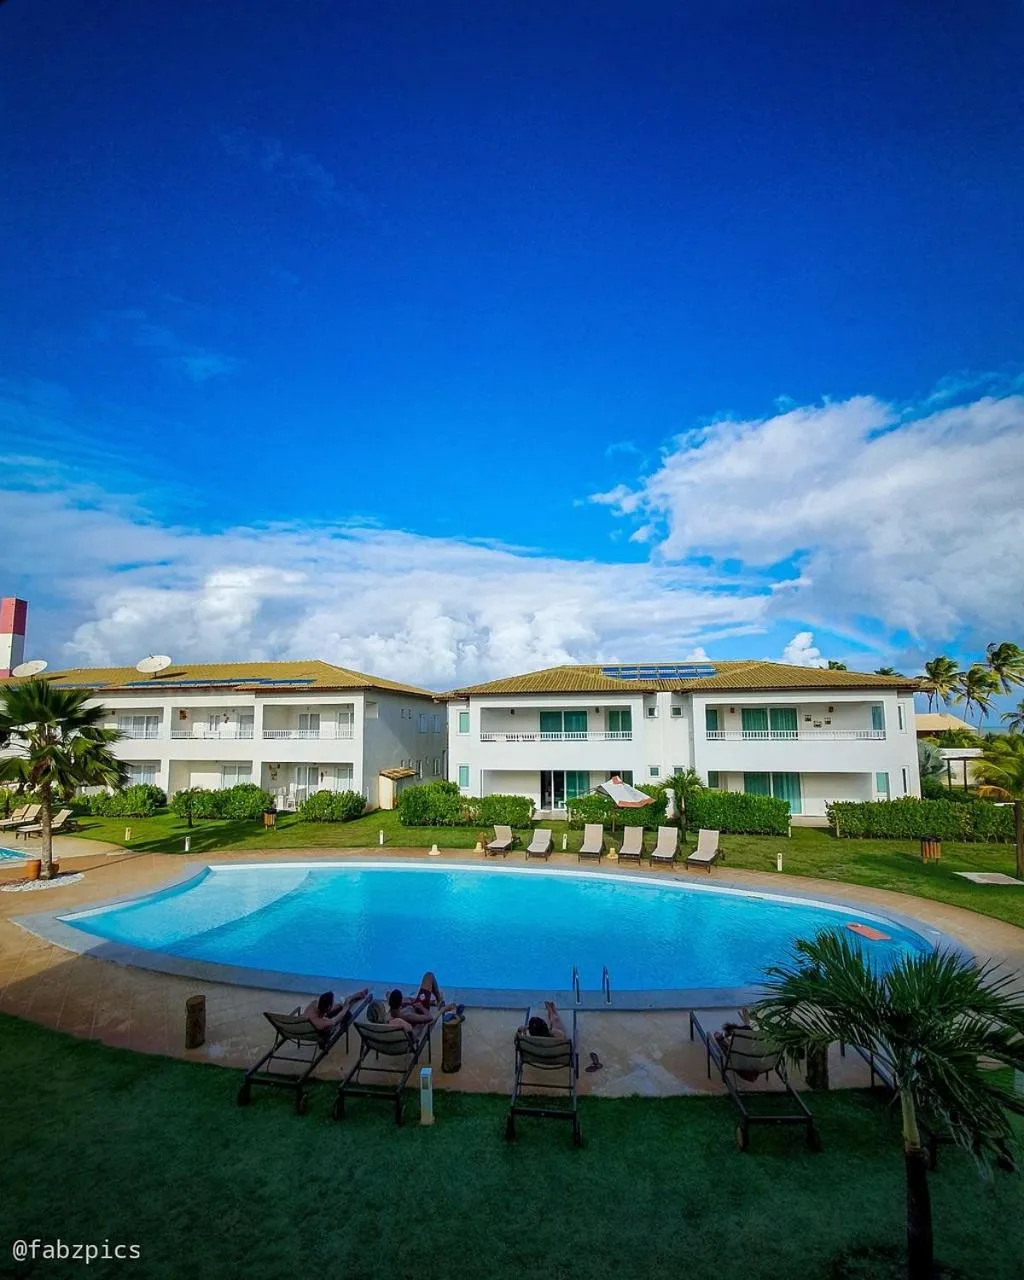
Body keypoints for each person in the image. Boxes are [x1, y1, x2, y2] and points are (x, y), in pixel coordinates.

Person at [302, 988, 369, 1032]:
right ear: (328, 1008)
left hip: (310, 1026)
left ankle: (350, 998)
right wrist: (345, 1007)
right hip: (324, 1031)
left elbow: (323, 1011)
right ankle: (350, 999)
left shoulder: (313, 1005)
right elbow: (338, 1017)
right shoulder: (324, 1022)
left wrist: (340, 1005)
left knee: (340, 1006)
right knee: (346, 1013)